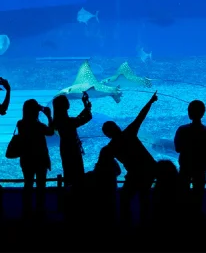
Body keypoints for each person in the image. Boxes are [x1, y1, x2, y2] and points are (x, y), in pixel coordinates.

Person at [102, 91, 158, 224]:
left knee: (125, 198)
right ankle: (145, 222)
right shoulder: (129, 133)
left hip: (135, 174)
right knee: (144, 197)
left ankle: (126, 223)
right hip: (149, 169)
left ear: (107, 135)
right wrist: (150, 101)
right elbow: (141, 116)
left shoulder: (111, 147)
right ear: (117, 128)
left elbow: (110, 165)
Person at [15, 99, 54, 219]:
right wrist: (48, 116)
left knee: (28, 184)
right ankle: (40, 210)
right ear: (35, 111)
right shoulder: (39, 126)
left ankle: (26, 210)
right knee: (41, 185)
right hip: (40, 158)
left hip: (26, 158)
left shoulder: (20, 124)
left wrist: (39, 108)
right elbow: (51, 132)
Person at [174, 100, 206, 216]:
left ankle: (184, 215)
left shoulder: (182, 130)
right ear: (203, 113)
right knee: (198, 193)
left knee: (183, 192)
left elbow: (177, 149)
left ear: (189, 113)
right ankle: (196, 215)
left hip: (185, 166)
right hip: (200, 167)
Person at [52, 92, 93, 187]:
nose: (68, 102)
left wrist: (86, 107)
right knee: (78, 174)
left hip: (65, 148)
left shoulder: (59, 120)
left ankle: (69, 194)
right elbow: (86, 118)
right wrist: (86, 105)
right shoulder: (68, 122)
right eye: (67, 101)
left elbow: (78, 118)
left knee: (68, 173)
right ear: (65, 106)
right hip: (73, 150)